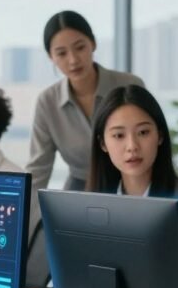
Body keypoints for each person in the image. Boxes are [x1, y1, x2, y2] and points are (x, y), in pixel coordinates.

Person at [24, 84, 178, 288]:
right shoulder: (91, 203)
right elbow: (85, 274)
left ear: (160, 135)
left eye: (143, 132)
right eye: (119, 135)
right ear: (103, 144)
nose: (132, 146)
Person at [26, 11, 145, 194]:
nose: (73, 60)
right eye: (61, 53)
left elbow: (154, 145)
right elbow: (38, 169)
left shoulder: (129, 85)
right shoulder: (48, 102)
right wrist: (24, 218)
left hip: (132, 186)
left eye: (80, 47)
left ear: (93, 44)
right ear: (51, 57)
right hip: (80, 191)